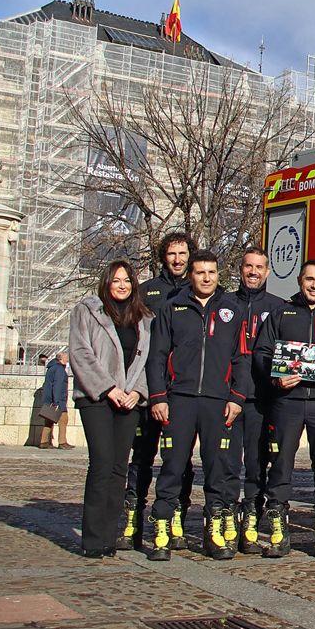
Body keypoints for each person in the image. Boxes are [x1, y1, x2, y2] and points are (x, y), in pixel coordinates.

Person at [143, 249, 250, 562]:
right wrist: (158, 397)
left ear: (219, 275)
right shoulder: (171, 307)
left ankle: (213, 532)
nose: (207, 278)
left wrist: (237, 397)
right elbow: (157, 357)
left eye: (212, 273)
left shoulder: (232, 308)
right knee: (173, 466)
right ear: (190, 275)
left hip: (218, 402)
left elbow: (241, 358)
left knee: (217, 469)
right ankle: (162, 530)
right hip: (180, 400)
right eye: (201, 272)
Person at [253, 259, 315, 559]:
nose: (314, 285)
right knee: (280, 465)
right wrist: (275, 378)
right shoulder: (281, 313)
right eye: (309, 279)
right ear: (300, 280)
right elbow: (262, 353)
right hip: (287, 402)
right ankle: (279, 534)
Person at [69, 260, 153, 557]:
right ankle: (92, 538)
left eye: (127, 281)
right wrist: (109, 388)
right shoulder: (88, 311)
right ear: (106, 282)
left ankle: (108, 536)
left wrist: (137, 392)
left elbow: (145, 362)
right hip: (97, 398)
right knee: (102, 463)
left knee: (120, 468)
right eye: (116, 280)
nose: (122, 285)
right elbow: (80, 353)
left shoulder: (143, 318)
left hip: (129, 400)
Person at [120, 231, 195, 550]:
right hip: (149, 389)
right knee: (142, 457)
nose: (177, 260)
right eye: (172, 254)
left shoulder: (200, 292)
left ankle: (176, 514)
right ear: (163, 257)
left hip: (183, 391)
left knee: (180, 461)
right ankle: (132, 518)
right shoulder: (147, 292)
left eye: (182, 254)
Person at [232, 246, 283, 554]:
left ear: (267, 271)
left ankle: (251, 514)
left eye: (259, 267)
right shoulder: (224, 304)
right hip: (227, 398)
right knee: (222, 463)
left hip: (262, 400)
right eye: (248, 266)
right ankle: (223, 515)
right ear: (241, 269)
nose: (253, 272)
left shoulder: (279, 308)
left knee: (256, 463)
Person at [39, 351, 72, 449]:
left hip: (50, 399)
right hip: (58, 400)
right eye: (66, 357)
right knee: (63, 419)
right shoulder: (59, 369)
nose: (67, 359)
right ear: (61, 358)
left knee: (49, 420)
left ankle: (44, 441)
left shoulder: (52, 368)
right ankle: (62, 442)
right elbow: (57, 386)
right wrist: (56, 402)